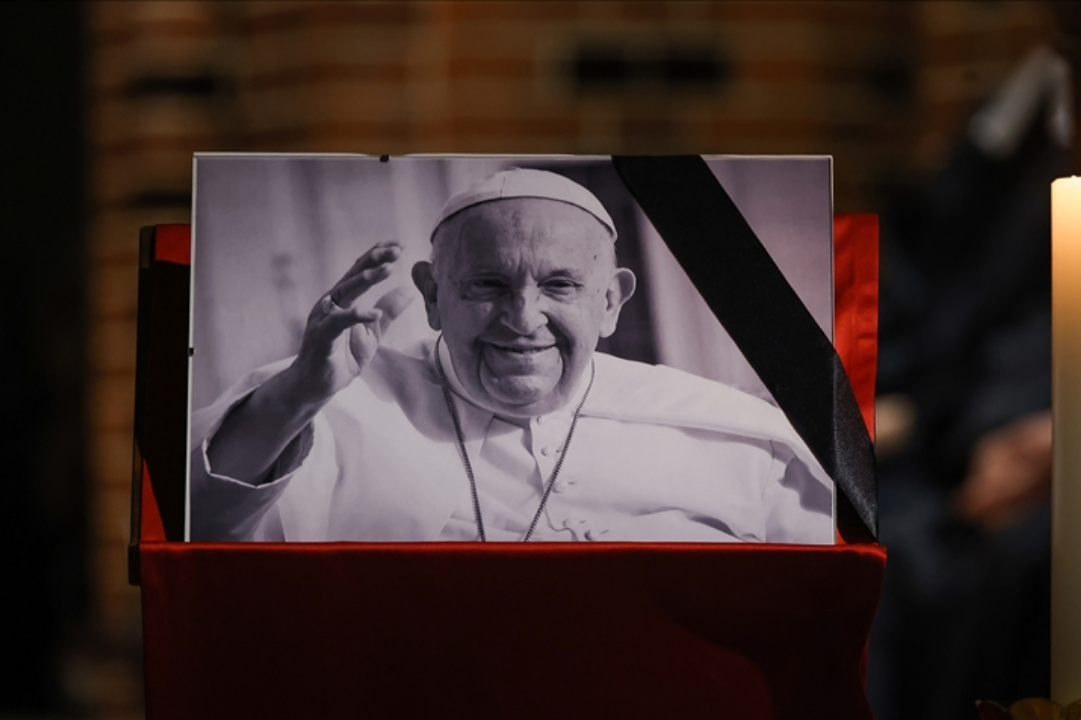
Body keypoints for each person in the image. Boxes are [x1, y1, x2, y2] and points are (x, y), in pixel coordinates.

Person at [190, 168, 834, 543]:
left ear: (611, 301)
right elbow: (196, 533)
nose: (523, 320)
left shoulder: (737, 436)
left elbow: (820, 615)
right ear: (433, 296)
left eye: (560, 285)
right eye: (487, 285)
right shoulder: (327, 407)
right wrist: (294, 397)